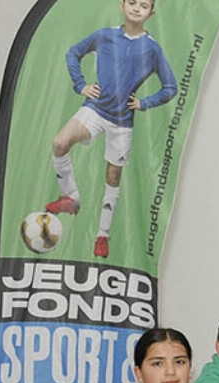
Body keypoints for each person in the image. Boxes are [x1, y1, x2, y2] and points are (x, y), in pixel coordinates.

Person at [45, 0, 176, 259]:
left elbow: (170, 87)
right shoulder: (104, 36)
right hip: (94, 109)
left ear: (152, 13)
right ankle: (71, 197)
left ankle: (102, 235)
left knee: (113, 176)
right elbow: (73, 53)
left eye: (144, 5)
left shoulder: (152, 49)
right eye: (132, 2)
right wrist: (80, 84)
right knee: (60, 143)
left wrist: (145, 102)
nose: (137, 8)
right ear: (121, 4)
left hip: (121, 121)